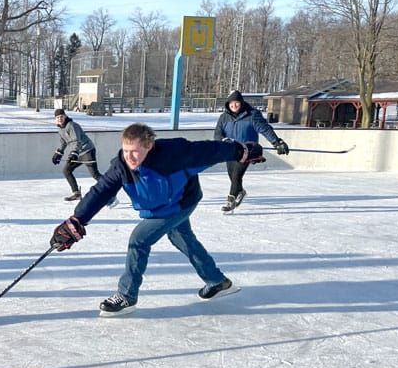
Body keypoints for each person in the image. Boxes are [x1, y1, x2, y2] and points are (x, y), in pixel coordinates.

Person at [49, 122, 266, 317]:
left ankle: (127, 295)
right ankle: (218, 281)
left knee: (139, 240)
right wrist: (77, 220)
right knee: (183, 239)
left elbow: (211, 151)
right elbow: (101, 190)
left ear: (149, 146)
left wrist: (242, 151)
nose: (129, 157)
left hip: (181, 203)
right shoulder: (121, 167)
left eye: (135, 152)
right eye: (126, 151)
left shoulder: (175, 154)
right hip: (158, 207)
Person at [214, 90, 289, 213]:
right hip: (231, 149)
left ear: (241, 103)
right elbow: (218, 133)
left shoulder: (252, 115)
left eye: (236, 103)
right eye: (231, 103)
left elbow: (265, 129)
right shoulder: (224, 117)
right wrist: (221, 142)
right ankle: (241, 192)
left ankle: (230, 200)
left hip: (248, 149)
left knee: (237, 174)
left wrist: (277, 142)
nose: (234, 106)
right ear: (228, 104)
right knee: (232, 176)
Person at [52, 108, 104, 201]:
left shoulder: (71, 125)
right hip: (78, 153)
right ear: (55, 119)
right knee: (66, 171)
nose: (60, 119)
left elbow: (77, 141)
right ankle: (76, 193)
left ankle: (111, 189)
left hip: (87, 150)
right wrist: (58, 153)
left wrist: (74, 152)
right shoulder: (60, 129)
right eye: (57, 117)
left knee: (95, 174)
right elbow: (64, 142)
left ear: (65, 116)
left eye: (61, 116)